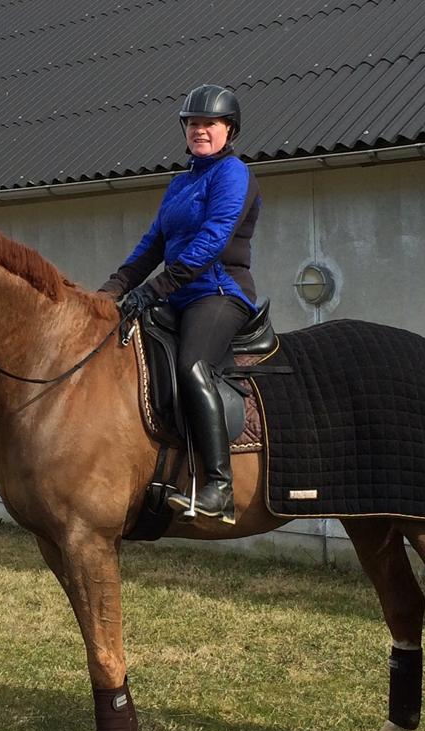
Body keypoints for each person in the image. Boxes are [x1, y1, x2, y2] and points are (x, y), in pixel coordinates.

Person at [100, 84, 261, 525]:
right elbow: (152, 245)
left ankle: (219, 487)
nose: (199, 131)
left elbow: (212, 241)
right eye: (192, 124)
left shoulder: (234, 174)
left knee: (193, 365)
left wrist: (153, 290)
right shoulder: (180, 183)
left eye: (208, 124)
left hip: (219, 293)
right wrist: (111, 291)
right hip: (176, 295)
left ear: (229, 129)